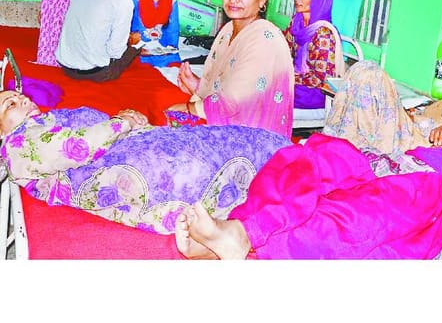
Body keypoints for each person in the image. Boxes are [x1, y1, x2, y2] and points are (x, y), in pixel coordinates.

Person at [174, 105, 442, 259]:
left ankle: (245, 238)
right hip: (400, 163)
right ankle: (234, 231)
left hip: (437, 192)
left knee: (356, 214)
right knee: (314, 155)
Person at [0, 90, 291, 234]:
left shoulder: (35, 129)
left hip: (143, 152)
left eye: (20, 96)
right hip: (155, 167)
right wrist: (122, 123)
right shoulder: (17, 143)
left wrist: (124, 121)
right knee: (236, 148)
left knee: (231, 143)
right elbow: (77, 148)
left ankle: (291, 164)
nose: (22, 100)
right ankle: (293, 161)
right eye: (9, 104)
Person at [167, 0, 294, 138]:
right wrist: (198, 85)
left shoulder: (265, 38)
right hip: (222, 124)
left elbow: (234, 101)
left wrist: (190, 108)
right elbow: (223, 85)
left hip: (250, 139)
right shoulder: (228, 30)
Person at [323, 54, 442, 158]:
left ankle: (339, 151)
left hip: (416, 140)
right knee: (358, 74)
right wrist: (414, 114)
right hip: (409, 126)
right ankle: (333, 146)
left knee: (369, 72)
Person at [55, 0, 144, 82]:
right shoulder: (123, 0)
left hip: (65, 65)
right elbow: (116, 52)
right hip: (94, 72)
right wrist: (131, 41)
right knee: (136, 46)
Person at [283, 0, 345, 109]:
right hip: (296, 80)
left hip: (315, 92)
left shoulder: (324, 34)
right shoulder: (297, 22)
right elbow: (283, 49)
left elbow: (320, 79)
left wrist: (289, 77)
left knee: (275, 93)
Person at [129, 0, 181, 67]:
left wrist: (170, 48)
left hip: (160, 48)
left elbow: (173, 29)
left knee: (174, 63)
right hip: (138, 46)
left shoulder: (172, 1)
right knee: (133, 64)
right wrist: (129, 40)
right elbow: (124, 22)